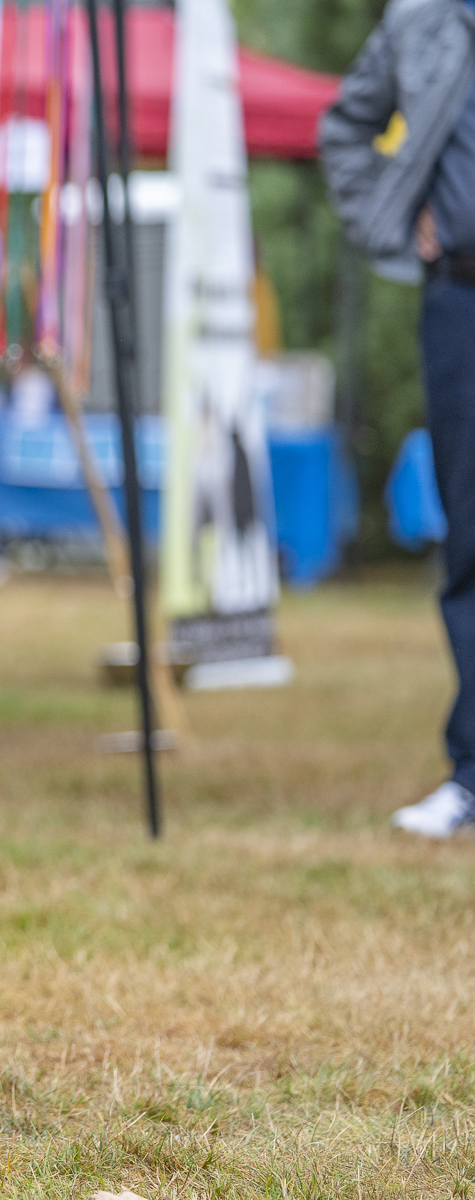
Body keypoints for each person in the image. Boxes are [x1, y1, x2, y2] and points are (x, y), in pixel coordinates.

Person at [321, 1, 475, 836]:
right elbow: (346, 127)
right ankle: (474, 771)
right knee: (471, 540)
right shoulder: (421, 20)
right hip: (462, 300)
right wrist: (388, 210)